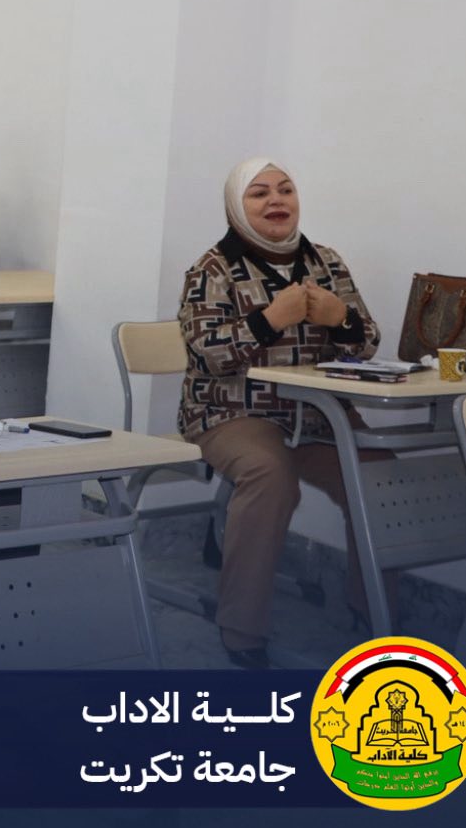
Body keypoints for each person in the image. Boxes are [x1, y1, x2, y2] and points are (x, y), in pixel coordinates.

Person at [178, 157, 382, 669]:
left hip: (317, 416)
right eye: (259, 193)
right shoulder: (212, 268)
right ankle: (241, 628)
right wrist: (269, 320)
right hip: (229, 413)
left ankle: (376, 616)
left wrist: (342, 319)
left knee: (380, 476)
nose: (276, 200)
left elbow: (368, 345)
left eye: (285, 190)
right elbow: (208, 355)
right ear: (237, 206)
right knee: (270, 474)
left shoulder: (327, 262)